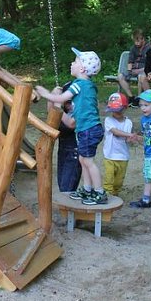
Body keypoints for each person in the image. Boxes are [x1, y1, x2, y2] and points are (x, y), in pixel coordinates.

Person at [35, 48, 107, 205]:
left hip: (89, 130)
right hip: (88, 129)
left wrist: (45, 93)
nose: (71, 63)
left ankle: (99, 192)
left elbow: (61, 99)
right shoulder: (89, 86)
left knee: (88, 162)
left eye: (75, 61)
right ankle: (87, 189)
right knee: (83, 159)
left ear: (82, 69)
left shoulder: (79, 85)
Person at [102, 92, 136, 197]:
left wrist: (131, 139)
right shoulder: (108, 120)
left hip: (123, 156)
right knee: (109, 179)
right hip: (110, 156)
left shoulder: (128, 122)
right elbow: (115, 131)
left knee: (118, 181)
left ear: (125, 108)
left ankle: (115, 195)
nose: (116, 112)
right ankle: (107, 195)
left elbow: (128, 139)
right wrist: (129, 135)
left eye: (118, 110)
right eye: (113, 110)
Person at [49, 81, 80, 193]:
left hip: (74, 153)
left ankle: (68, 204)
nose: (71, 105)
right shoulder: (65, 114)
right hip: (63, 151)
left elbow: (71, 124)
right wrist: (52, 97)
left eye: (73, 101)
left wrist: (57, 104)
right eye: (67, 102)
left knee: (67, 187)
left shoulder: (81, 113)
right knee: (62, 185)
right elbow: (51, 114)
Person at [117, 28, 151, 106]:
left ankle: (139, 98)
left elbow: (149, 64)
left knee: (140, 76)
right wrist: (129, 71)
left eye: (138, 41)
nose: (136, 43)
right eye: (135, 41)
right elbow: (130, 61)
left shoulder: (149, 48)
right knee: (120, 76)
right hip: (134, 69)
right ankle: (131, 97)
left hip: (144, 70)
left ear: (143, 39)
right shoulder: (133, 48)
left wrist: (139, 70)